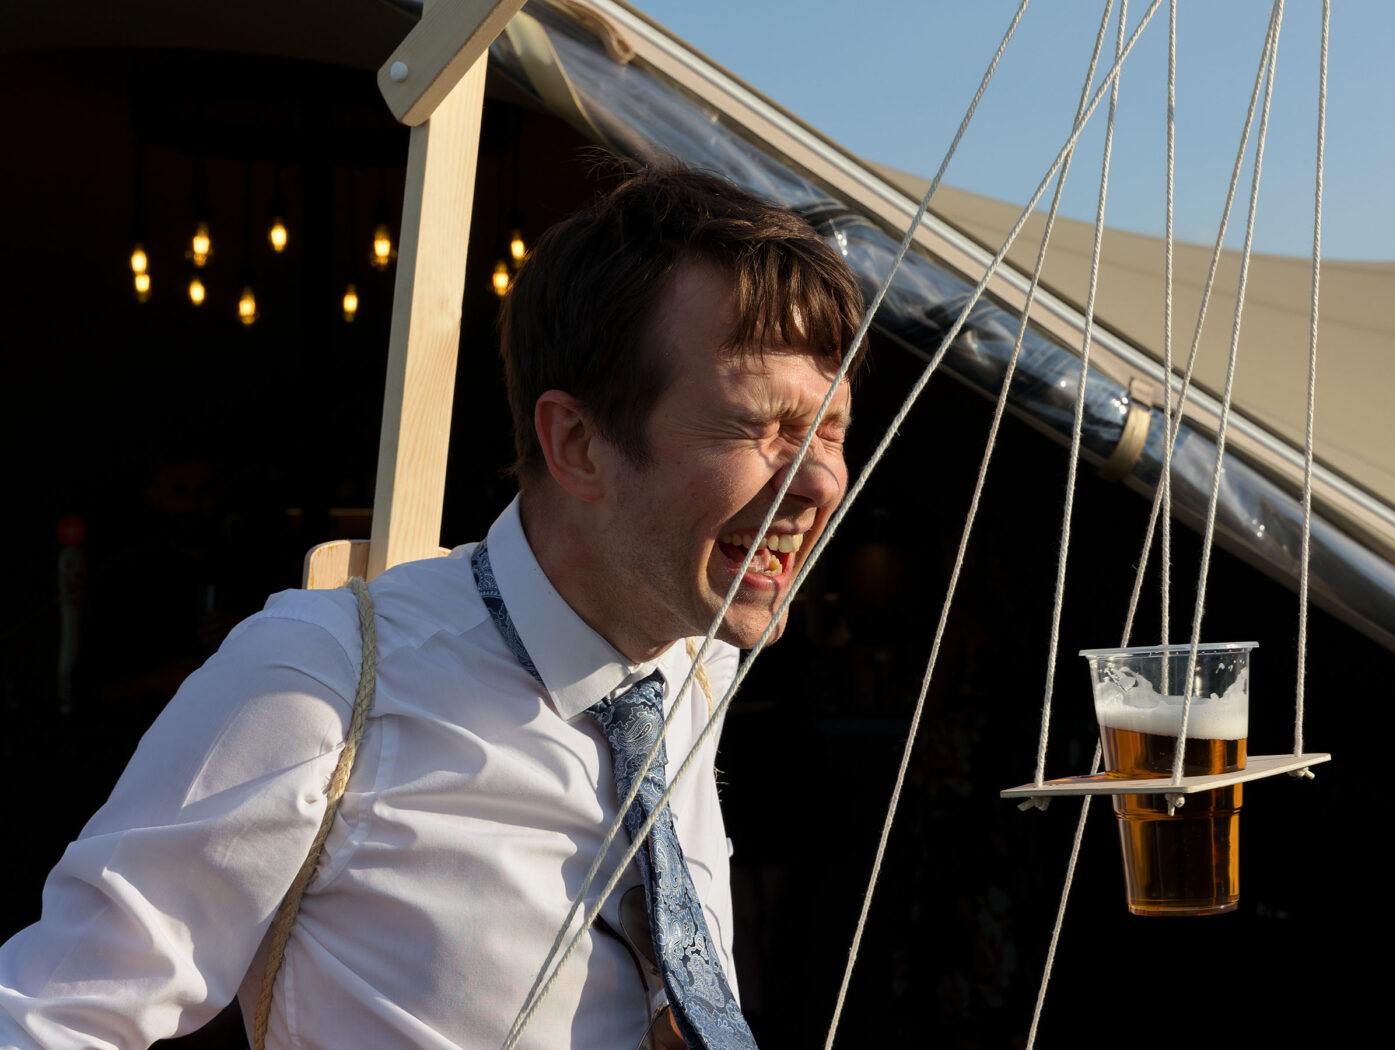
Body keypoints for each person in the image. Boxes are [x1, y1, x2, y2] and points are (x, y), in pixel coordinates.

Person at [0, 166, 866, 1049]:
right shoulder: (320, 676)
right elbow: (50, 1021)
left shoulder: (692, 662)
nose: (825, 480)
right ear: (577, 442)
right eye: (759, 428)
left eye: (831, 431)